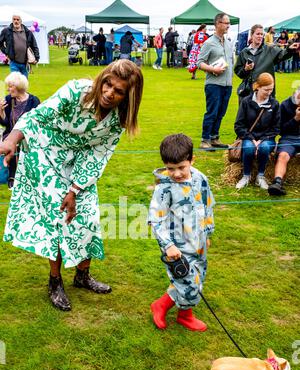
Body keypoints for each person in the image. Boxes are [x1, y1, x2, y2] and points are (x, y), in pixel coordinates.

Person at [0, 60, 143, 312]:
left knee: (87, 216)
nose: (109, 92)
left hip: (79, 161)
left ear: (128, 96)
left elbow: (98, 154)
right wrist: (12, 138)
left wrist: (75, 189)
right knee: (57, 217)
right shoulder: (77, 90)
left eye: (118, 90)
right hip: (45, 151)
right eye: (108, 84)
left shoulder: (117, 120)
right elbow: (38, 115)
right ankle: (55, 282)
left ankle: (82, 275)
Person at [148, 134, 215, 332]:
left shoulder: (201, 179)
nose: (176, 174)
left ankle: (178, 312)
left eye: (181, 167)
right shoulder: (164, 188)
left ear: (192, 160)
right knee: (187, 280)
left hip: (199, 241)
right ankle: (170, 308)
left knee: (198, 277)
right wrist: (168, 245)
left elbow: (208, 205)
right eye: (170, 168)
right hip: (177, 246)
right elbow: (156, 219)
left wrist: (208, 233)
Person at [234, 73, 280, 190]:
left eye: (271, 89)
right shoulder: (245, 102)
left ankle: (261, 176)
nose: (269, 93)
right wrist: (251, 139)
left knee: (264, 148)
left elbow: (276, 128)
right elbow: (239, 125)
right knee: (249, 148)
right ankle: (246, 176)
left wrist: (262, 139)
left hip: (267, 138)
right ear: (258, 86)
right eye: (266, 89)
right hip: (249, 136)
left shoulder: (274, 104)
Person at [197, 13, 234, 150]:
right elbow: (199, 63)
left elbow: (231, 62)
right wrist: (212, 69)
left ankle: (214, 138)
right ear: (218, 23)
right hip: (214, 84)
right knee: (212, 112)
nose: (228, 26)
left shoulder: (229, 43)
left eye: (228, 23)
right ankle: (204, 140)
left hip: (227, 85)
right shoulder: (209, 43)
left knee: (221, 113)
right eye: (226, 23)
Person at [234, 24, 298, 101]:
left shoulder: (269, 50)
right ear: (252, 35)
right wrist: (246, 69)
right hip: (248, 93)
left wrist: (290, 49)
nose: (260, 36)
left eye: (262, 34)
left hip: (266, 92)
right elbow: (238, 72)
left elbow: (283, 54)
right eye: (258, 34)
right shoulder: (244, 52)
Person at [0, 71, 40, 190]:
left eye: (10, 86)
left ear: (19, 87)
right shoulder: (8, 100)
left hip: (28, 135)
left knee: (24, 145)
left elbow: (38, 122)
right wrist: (1, 112)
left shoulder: (34, 101)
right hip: (11, 134)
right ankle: (12, 177)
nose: (8, 89)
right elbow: (5, 123)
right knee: (10, 143)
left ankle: (27, 177)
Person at [268, 87, 300, 196]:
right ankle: (277, 182)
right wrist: (295, 119)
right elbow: (280, 130)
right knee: (282, 155)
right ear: (294, 96)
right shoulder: (285, 105)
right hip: (289, 138)